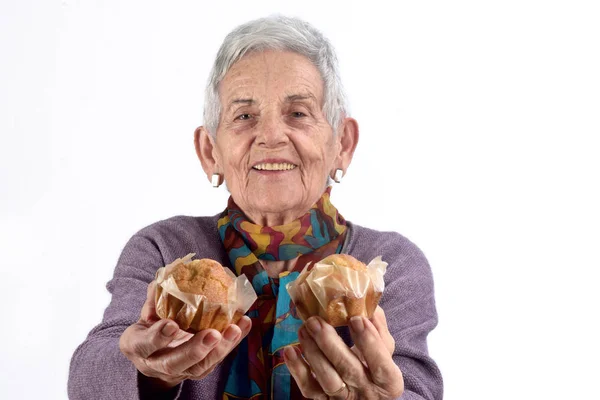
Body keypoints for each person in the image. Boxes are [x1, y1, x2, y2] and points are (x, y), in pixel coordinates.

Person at [68, 15, 443, 400]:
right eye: (244, 116)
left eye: (298, 113)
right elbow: (88, 377)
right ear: (209, 151)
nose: (270, 136)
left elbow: (417, 389)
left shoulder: (388, 265)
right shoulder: (166, 250)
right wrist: (150, 372)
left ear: (342, 144)